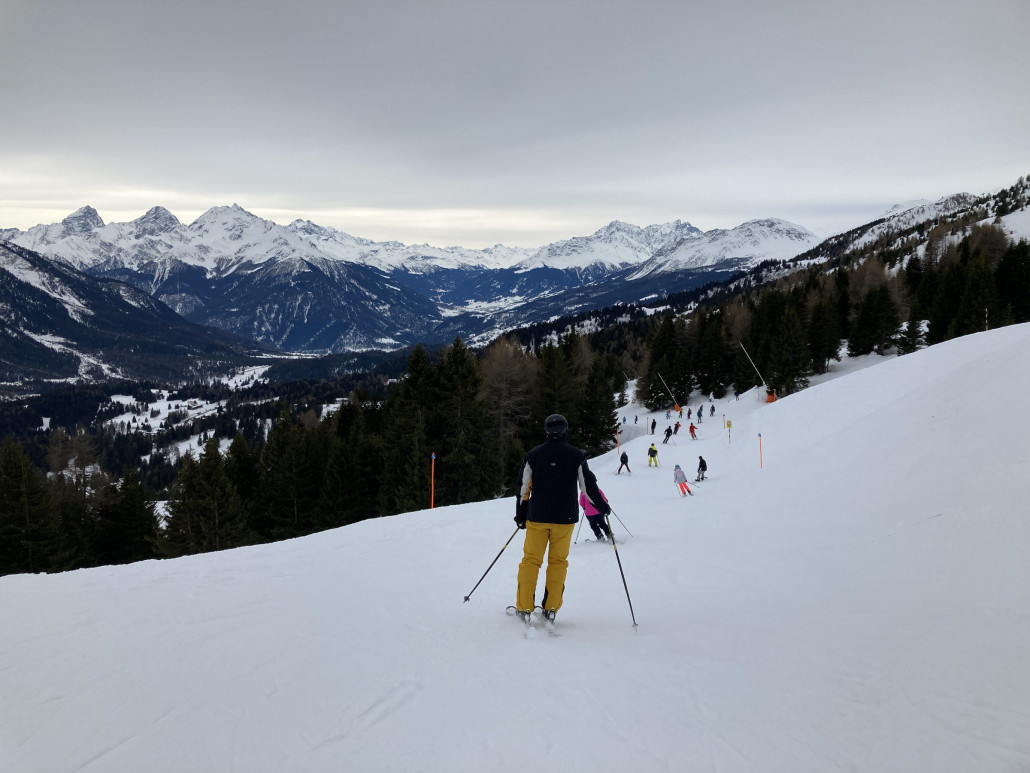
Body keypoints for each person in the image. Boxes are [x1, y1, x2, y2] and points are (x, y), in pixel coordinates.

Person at [514, 414, 609, 624]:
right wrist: (602, 507)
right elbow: (588, 487)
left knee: (531, 561)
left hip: (538, 517)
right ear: (565, 430)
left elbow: (523, 488)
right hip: (565, 519)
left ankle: (525, 607)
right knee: (558, 562)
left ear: (547, 430)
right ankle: (551, 608)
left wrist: (521, 515)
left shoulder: (534, 455)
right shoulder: (576, 455)